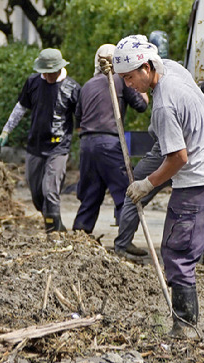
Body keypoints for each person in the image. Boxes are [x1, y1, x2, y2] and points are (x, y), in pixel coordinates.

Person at [111, 35, 204, 346]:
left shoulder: (163, 104)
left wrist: (147, 184)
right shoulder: (175, 69)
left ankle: (185, 327)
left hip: (197, 182)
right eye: (123, 79)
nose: (128, 85)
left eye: (131, 77)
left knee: (177, 253)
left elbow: (177, 158)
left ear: (147, 68)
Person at [114, 74, 204, 257]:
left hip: (162, 153)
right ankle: (201, 255)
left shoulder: (188, 100)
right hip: (198, 165)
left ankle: (122, 246)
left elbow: (153, 130)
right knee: (203, 210)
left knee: (134, 194)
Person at [0, 48, 81, 233]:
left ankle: (54, 235)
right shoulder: (33, 82)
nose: (48, 76)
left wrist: (85, 142)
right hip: (35, 146)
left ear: (59, 68)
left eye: (52, 72)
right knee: (36, 194)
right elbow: (20, 108)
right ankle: (56, 224)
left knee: (50, 191)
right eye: (45, 72)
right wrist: (6, 131)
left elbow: (81, 119)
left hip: (58, 148)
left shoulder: (72, 88)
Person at [72, 44, 148, 237]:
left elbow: (78, 121)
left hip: (87, 144)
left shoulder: (87, 85)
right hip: (110, 143)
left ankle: (79, 238)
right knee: (125, 194)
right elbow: (141, 106)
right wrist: (145, 89)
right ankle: (124, 242)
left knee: (90, 195)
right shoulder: (119, 81)